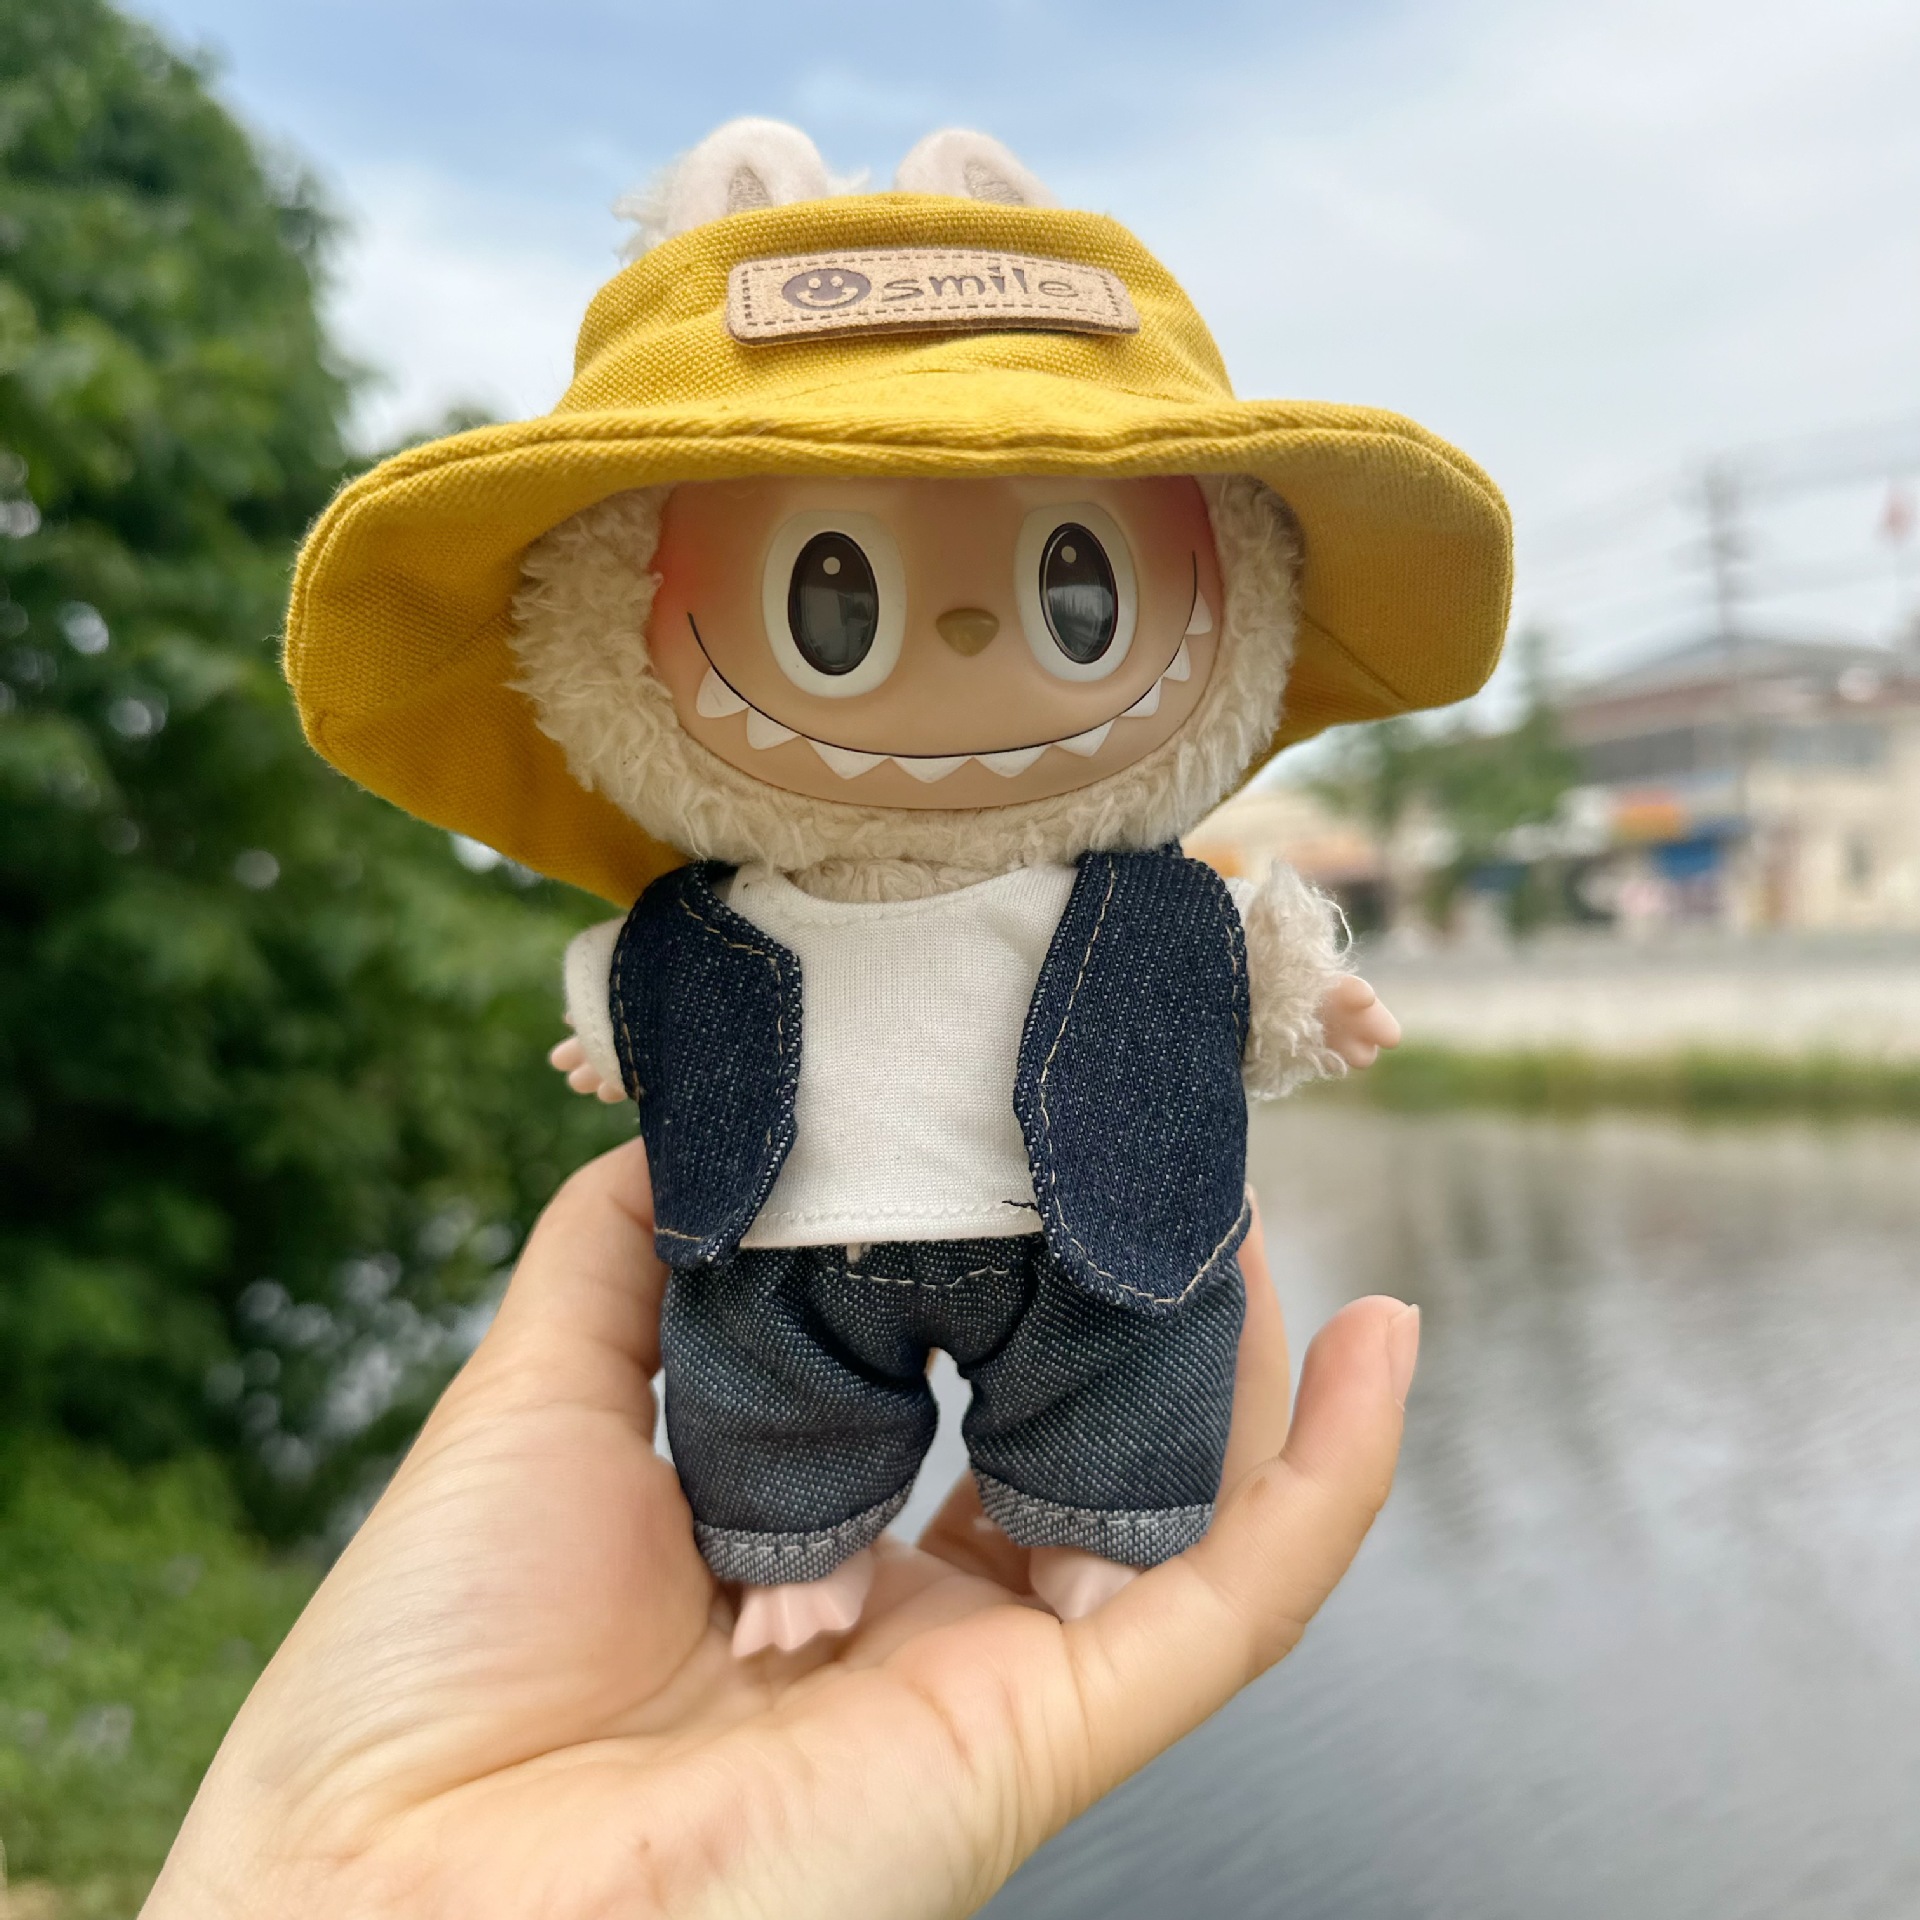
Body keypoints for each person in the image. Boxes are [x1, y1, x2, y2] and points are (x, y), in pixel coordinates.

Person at [142, 1141, 1417, 1919]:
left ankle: (1093, 1519)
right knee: (776, 1392)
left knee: (1113, 1358)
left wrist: (1295, 993)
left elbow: (1242, 961)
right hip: (808, 1233)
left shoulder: (1123, 902)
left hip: (1049, 1225)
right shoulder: (732, 914)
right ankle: (797, 1550)